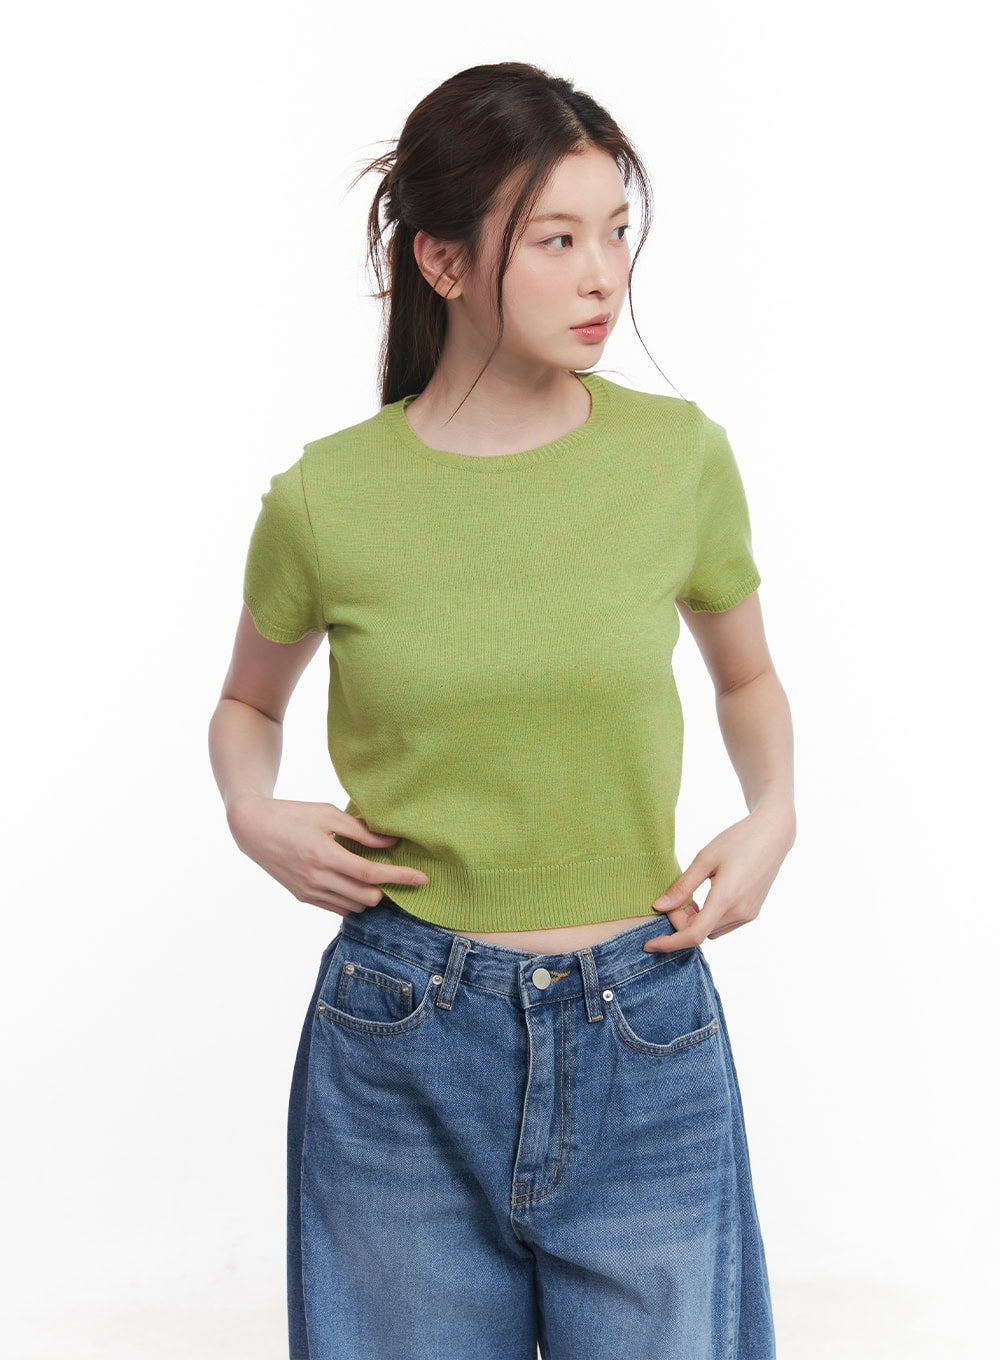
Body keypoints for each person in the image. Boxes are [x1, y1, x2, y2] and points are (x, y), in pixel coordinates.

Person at [209, 60, 795, 1360]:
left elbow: (747, 676)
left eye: (617, 232)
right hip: (400, 1040)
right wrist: (252, 810)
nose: (604, 277)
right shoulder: (326, 499)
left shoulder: (677, 457)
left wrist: (775, 814)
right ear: (442, 261)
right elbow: (247, 703)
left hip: (645, 1026)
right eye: (556, 239)